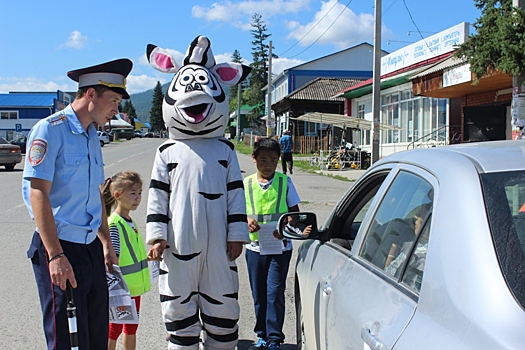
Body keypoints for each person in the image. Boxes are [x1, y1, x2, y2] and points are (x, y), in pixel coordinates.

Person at [23, 58, 132, 350]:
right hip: (60, 247)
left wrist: (106, 243)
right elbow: (38, 194)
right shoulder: (50, 130)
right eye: (113, 100)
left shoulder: (93, 136)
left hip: (91, 250)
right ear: (90, 95)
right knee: (66, 338)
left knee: (95, 334)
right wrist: (55, 255)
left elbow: (96, 193)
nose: (115, 110)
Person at [244, 137, 304, 350]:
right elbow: (237, 212)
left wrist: (285, 227)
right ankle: (261, 335)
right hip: (254, 248)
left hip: (280, 247)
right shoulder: (246, 184)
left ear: (279, 160)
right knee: (259, 293)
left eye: (273, 160)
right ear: (254, 159)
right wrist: (246, 220)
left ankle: (274, 339)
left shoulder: (284, 182)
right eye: (263, 160)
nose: (268, 165)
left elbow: (294, 213)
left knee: (274, 292)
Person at [101, 171, 150, 350]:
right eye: (133, 193)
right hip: (122, 289)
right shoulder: (115, 224)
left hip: (132, 288)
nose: (137, 198)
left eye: (140, 193)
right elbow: (112, 260)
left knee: (130, 328)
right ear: (117, 195)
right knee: (115, 329)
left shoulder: (129, 221)